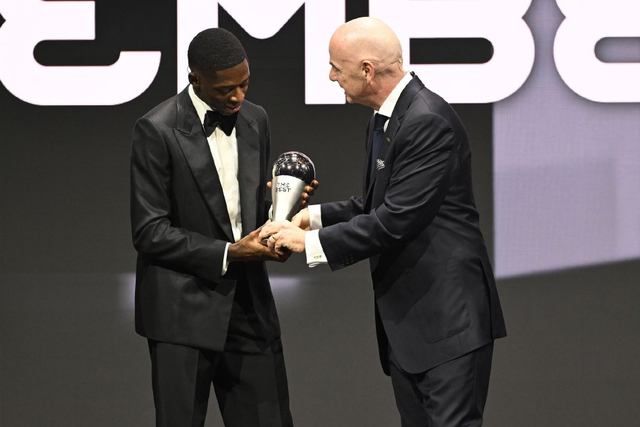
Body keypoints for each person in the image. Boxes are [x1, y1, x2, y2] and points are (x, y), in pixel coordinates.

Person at [261, 17, 506, 427]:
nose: (331, 76)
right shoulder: (385, 118)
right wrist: (312, 218)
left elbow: (396, 220)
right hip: (412, 327)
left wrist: (309, 244)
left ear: (367, 70)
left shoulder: (427, 120)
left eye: (336, 67)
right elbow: (377, 203)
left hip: (448, 322)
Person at [130, 28, 314, 427]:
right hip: (182, 312)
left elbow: (244, 213)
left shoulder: (255, 119)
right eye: (225, 89)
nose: (237, 97)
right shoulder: (156, 129)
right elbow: (149, 231)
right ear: (195, 80)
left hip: (249, 306)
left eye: (244, 84)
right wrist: (230, 253)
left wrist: (282, 212)